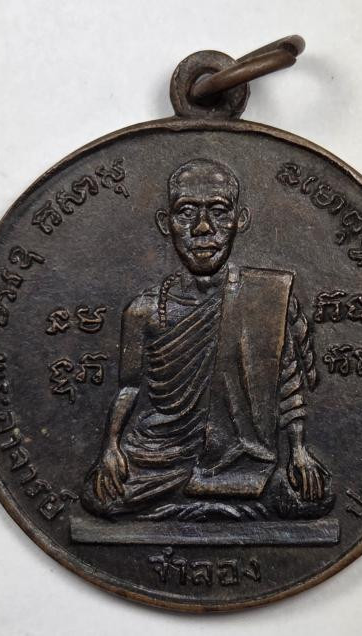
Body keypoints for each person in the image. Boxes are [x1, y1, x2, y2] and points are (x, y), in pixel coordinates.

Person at [81, 158, 332, 521]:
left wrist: (298, 451)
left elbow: (287, 383)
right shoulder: (144, 309)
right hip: (162, 452)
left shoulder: (265, 297)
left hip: (241, 454)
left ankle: (205, 502)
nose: (203, 228)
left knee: (312, 496)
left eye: (218, 211)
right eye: (186, 213)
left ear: (240, 220)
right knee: (100, 498)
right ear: (165, 223)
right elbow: (130, 387)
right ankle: (222, 505)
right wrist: (111, 447)